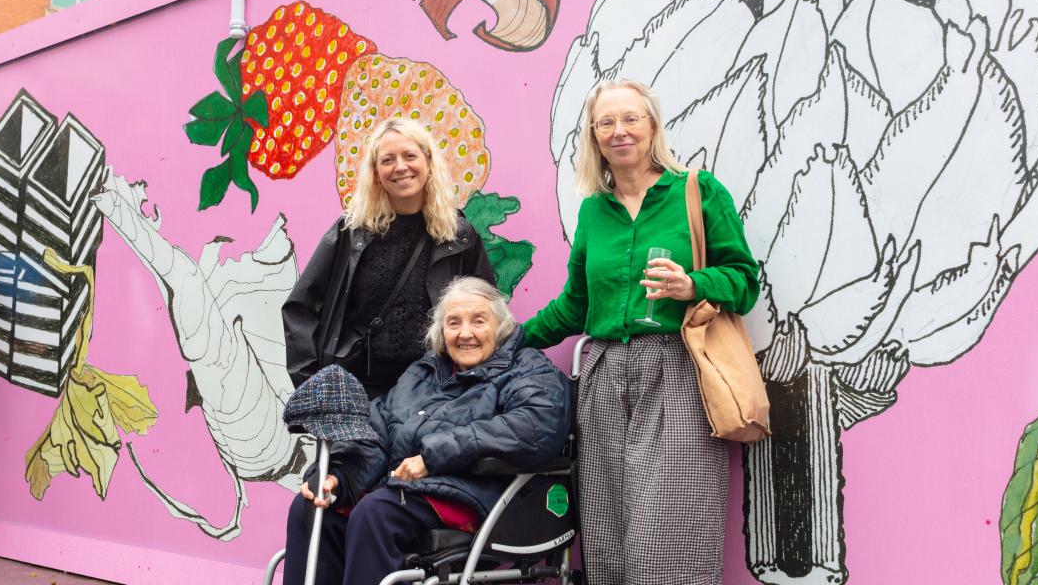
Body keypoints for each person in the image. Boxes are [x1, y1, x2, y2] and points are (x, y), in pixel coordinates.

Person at [522, 79, 760, 585]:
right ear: (594, 135)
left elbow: (744, 282)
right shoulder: (593, 210)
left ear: (652, 126)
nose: (619, 131)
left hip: (677, 371)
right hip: (604, 375)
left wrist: (692, 285)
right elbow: (575, 306)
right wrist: (508, 341)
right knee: (608, 527)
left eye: (630, 118)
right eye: (606, 122)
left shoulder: (697, 190)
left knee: (669, 525)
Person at [283, 276, 571, 585]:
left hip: (477, 493)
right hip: (405, 492)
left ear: (501, 326)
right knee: (313, 507)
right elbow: (377, 431)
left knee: (376, 513)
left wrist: (432, 457)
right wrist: (340, 476)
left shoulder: (528, 368)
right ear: (441, 331)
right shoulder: (422, 373)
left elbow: (536, 427)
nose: (465, 333)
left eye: (478, 321)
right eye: (453, 323)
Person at [282, 118, 495, 398]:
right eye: (388, 160)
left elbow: (488, 311)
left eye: (410, 156)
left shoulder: (458, 236)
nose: (400, 167)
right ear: (375, 171)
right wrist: (312, 387)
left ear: (429, 162)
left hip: (434, 391)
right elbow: (301, 307)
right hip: (358, 390)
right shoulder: (351, 232)